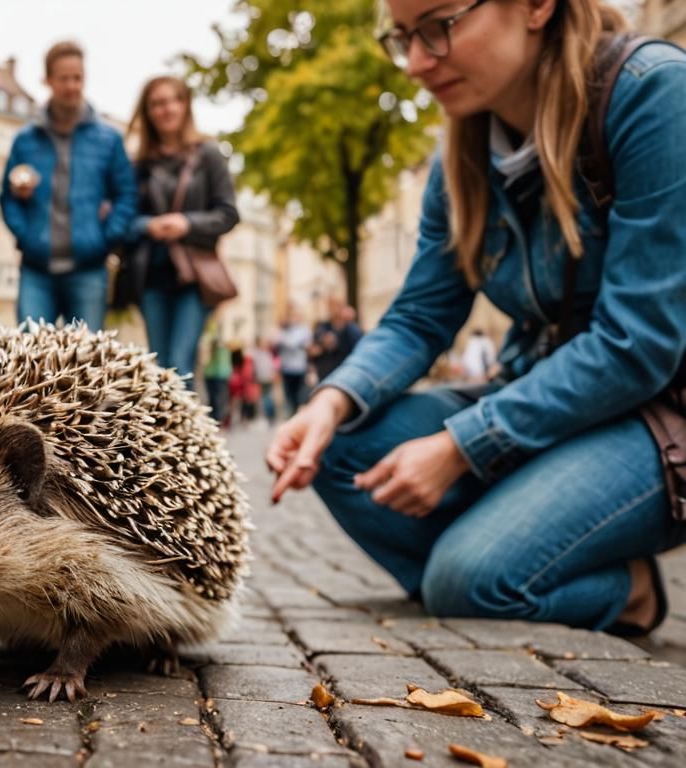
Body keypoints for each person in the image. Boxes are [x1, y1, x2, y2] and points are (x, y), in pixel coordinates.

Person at [267, 0, 686, 636]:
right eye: (403, 37)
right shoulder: (460, 153)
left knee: (469, 581)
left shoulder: (652, 94)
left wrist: (464, 446)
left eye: (439, 27)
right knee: (337, 450)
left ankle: (627, 592)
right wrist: (328, 403)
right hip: (547, 398)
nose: (414, 62)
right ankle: (522, 546)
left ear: (536, 7)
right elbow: (418, 317)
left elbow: (637, 343)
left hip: (660, 420)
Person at [0, 41, 135, 331]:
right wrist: (26, 235)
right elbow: (7, 197)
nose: (73, 86)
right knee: (28, 360)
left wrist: (104, 238)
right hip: (36, 269)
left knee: (87, 364)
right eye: (64, 78)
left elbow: (126, 196)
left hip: (88, 269)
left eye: (78, 78)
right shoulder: (26, 139)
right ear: (48, 80)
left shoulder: (108, 139)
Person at [127, 75, 240, 383]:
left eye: (173, 100)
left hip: (194, 276)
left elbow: (228, 214)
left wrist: (186, 223)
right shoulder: (140, 166)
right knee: (158, 367)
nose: (167, 109)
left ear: (185, 104)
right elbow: (126, 220)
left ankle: (188, 431)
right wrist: (149, 225)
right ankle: (164, 432)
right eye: (157, 103)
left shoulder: (208, 156)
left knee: (180, 362)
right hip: (152, 276)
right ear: (148, 112)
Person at [309, 298, 364, 382]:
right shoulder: (323, 327)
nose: (331, 309)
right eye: (329, 306)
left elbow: (359, 352)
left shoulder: (351, 329)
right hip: (325, 375)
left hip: (345, 376)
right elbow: (313, 350)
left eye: (334, 306)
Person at [275, 309, 312, 418]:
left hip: (300, 368)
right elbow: (276, 340)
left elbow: (293, 343)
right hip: (287, 368)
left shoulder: (304, 330)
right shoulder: (284, 330)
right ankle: (292, 414)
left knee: (299, 395)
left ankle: (297, 415)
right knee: (289, 395)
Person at [200, 329, 232, 425]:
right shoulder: (223, 347)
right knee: (218, 397)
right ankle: (217, 418)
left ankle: (216, 417)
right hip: (217, 374)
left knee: (215, 397)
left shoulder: (222, 347)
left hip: (215, 374)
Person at [252, 339, 278, 426]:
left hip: (264, 378)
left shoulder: (260, 354)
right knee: (266, 397)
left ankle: (267, 416)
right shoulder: (267, 354)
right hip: (265, 377)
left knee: (265, 398)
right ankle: (269, 416)